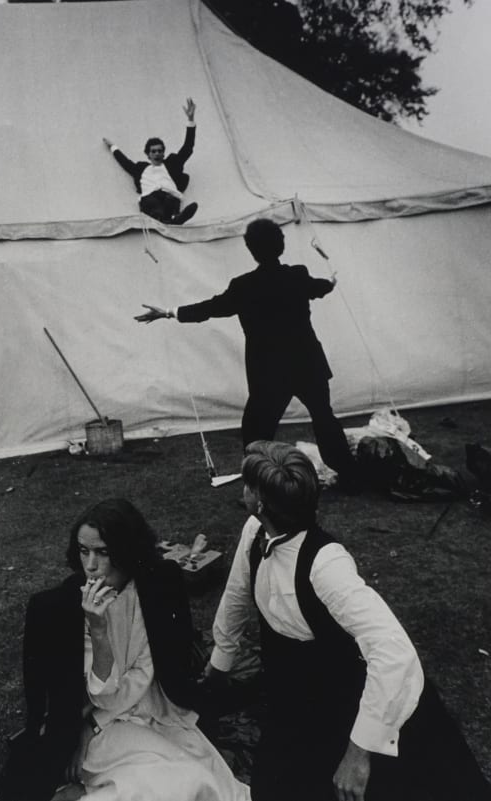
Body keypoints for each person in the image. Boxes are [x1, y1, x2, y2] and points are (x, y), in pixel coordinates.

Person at [203, 441, 491, 801]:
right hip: (294, 693)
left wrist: (359, 753)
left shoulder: (326, 565)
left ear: (261, 502)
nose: (243, 492)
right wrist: (220, 663)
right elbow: (236, 595)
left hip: (347, 699)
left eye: (248, 486)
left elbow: (394, 652)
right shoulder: (255, 531)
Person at [0, 498, 249, 801]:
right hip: (99, 725)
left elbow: (154, 668)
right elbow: (99, 695)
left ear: (127, 552)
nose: (90, 565)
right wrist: (98, 628)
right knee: (183, 783)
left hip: (153, 708)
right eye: (83, 550)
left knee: (204, 780)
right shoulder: (58, 606)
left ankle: (85, 791)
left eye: (103, 552)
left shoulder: (160, 582)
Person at [135, 217, 359, 491]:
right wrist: (331, 283)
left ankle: (259, 484)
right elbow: (319, 288)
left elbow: (211, 308)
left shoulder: (244, 286)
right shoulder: (297, 275)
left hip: (269, 371)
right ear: (281, 245)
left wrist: (168, 312)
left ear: (251, 250)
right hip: (307, 363)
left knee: (257, 431)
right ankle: (349, 475)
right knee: (324, 419)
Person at [103, 98, 198, 225]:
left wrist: (190, 120)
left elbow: (187, 147)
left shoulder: (171, 164)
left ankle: (174, 218)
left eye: (159, 151)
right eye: (153, 151)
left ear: (164, 153)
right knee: (151, 203)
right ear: (148, 155)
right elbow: (125, 162)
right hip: (150, 200)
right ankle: (167, 220)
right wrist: (112, 147)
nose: (157, 153)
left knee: (170, 200)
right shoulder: (141, 169)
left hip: (169, 197)